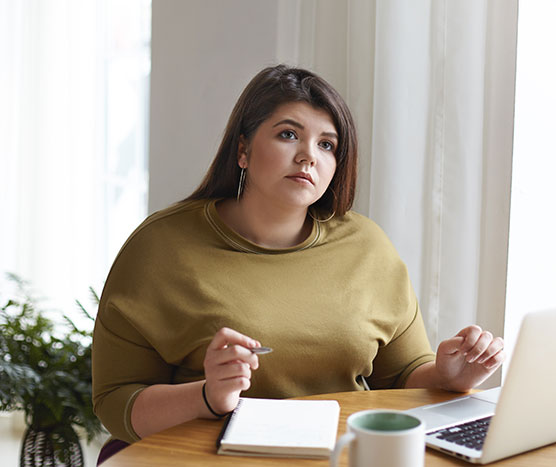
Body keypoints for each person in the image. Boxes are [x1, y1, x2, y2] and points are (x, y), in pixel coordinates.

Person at [92, 64, 504, 457]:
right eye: (289, 134)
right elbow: (116, 401)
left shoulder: (367, 245)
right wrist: (207, 396)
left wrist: (449, 377)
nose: (309, 155)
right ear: (243, 150)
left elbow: (401, 376)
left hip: (347, 456)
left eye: (327, 144)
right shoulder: (160, 247)